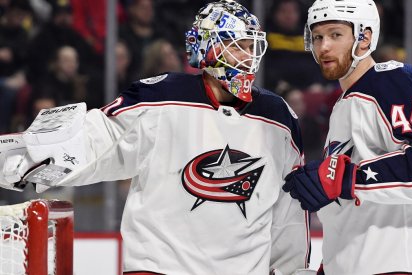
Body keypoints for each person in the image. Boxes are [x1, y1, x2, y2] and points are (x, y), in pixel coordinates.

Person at [0, 1, 311, 274]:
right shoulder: (162, 96)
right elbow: (102, 136)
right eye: (235, 45)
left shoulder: (278, 117)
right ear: (206, 47)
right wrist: (29, 155)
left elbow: (289, 210)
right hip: (160, 268)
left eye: (250, 47)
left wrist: (293, 268)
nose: (247, 57)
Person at [282, 0, 412, 274]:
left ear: (364, 37)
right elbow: (356, 201)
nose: (323, 47)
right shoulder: (345, 103)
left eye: (335, 34)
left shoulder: (392, 80)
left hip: (403, 264)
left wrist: (344, 178)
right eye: (317, 37)